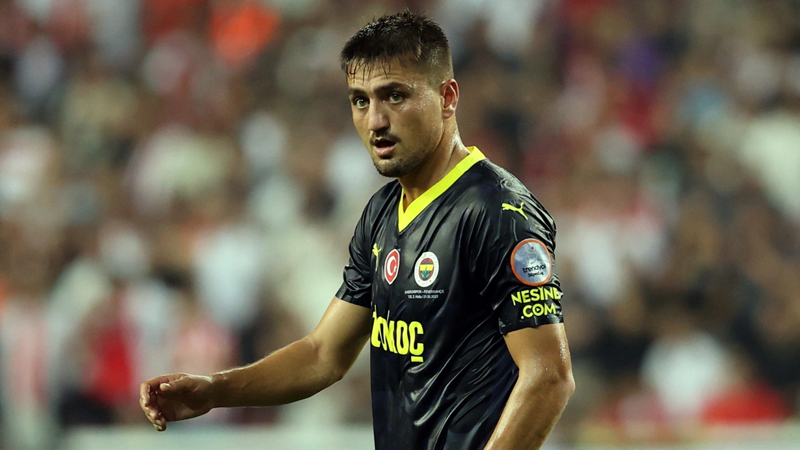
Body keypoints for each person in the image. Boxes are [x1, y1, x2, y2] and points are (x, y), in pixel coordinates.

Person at [140, 11, 574, 450]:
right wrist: (214, 390)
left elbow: (549, 377)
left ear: (447, 97)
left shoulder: (498, 211)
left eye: (395, 96)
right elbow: (323, 354)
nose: (375, 120)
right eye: (360, 100)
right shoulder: (382, 212)